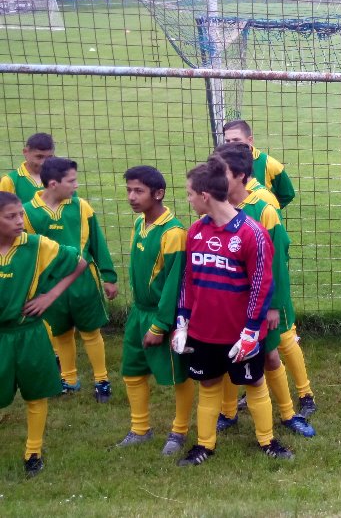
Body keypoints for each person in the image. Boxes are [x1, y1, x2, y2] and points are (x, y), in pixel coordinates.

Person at [172, 158, 292, 466]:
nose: (188, 200)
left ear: (205, 196)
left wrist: (251, 332)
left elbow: (261, 287)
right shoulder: (195, 231)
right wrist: (182, 323)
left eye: (189, 194)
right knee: (208, 385)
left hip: (242, 335)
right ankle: (204, 445)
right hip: (203, 332)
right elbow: (188, 281)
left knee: (254, 383)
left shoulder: (252, 233)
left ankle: (267, 440)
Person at [213, 146, 315, 437]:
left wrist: (273, 305)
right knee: (230, 354)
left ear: (240, 175)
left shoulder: (264, 209)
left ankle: (288, 414)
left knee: (270, 355)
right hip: (231, 301)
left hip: (261, 300)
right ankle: (228, 412)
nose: (214, 179)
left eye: (221, 173)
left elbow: (277, 260)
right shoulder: (216, 208)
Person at [0, 191, 87, 476]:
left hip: (30, 333)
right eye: (10, 216)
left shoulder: (36, 245)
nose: (19, 221)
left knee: (36, 394)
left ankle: (33, 451)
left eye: (20, 214)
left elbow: (79, 262)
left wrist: (50, 296)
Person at [23, 157, 117, 401]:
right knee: (61, 333)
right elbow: (28, 254)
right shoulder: (27, 213)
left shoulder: (81, 206)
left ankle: (102, 381)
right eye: (71, 181)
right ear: (53, 184)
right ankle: (69, 379)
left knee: (91, 332)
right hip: (51, 286)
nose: (76, 185)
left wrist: (108, 276)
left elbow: (97, 241)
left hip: (84, 283)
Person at [116, 166, 196, 456]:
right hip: (139, 312)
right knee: (132, 371)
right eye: (129, 190)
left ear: (158, 193)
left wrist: (160, 325)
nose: (131, 197)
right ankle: (140, 429)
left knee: (178, 375)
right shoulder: (140, 224)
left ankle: (179, 431)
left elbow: (175, 285)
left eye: (138, 191)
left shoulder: (173, 233)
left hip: (163, 316)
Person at [222, 119, 296, 209]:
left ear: (250, 140)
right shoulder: (220, 163)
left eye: (236, 140)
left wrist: (268, 209)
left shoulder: (270, 164)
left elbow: (287, 194)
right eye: (227, 141)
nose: (231, 145)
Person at [0, 133, 56, 203]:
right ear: (25, 152)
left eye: (49, 157)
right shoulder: (9, 181)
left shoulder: (59, 177)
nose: (43, 162)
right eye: (39, 157)